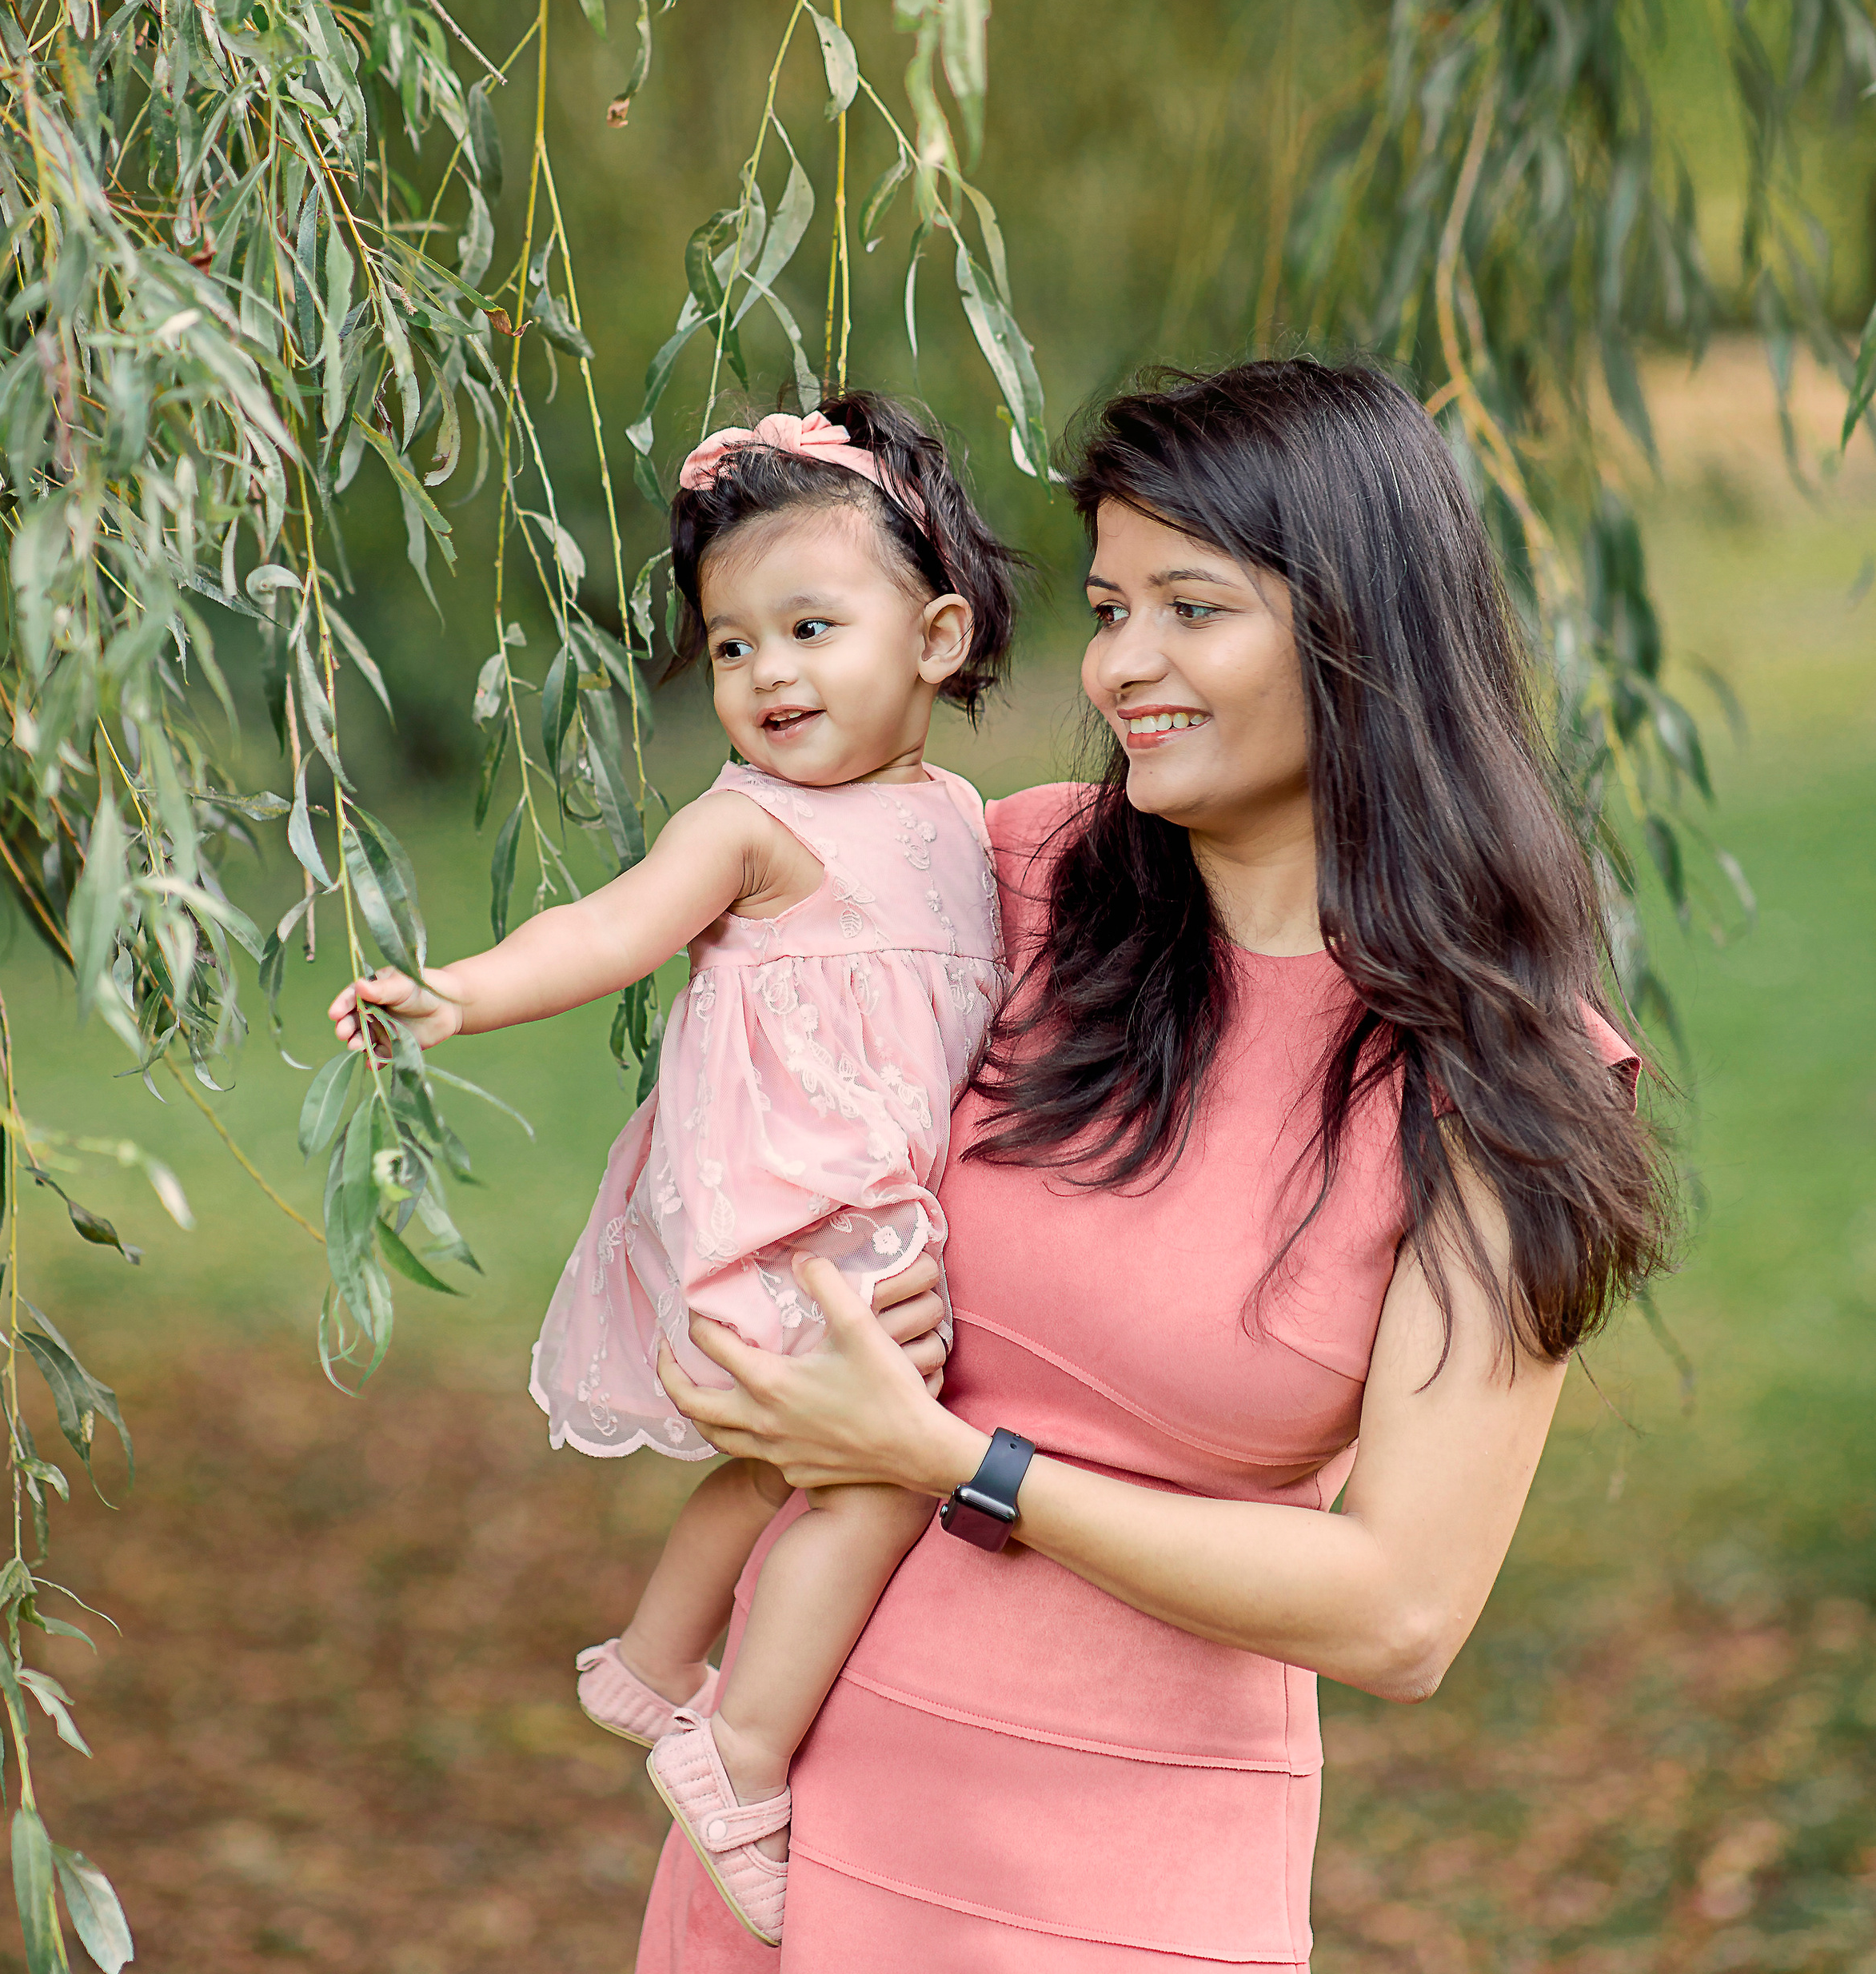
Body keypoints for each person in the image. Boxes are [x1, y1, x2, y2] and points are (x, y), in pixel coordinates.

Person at [644, 359, 1672, 1968]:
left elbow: (1399, 1611)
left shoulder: (1501, 1080)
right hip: (788, 1834)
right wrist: (739, 1344)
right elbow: (738, 1116)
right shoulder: (1011, 878)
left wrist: (954, 1460)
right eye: (1112, 608)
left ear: (1360, 631)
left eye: (1191, 609)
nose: (1123, 664)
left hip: (1119, 1888)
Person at [328, 396, 1020, 1948]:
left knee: (785, 1463)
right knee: (878, 1468)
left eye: (810, 629)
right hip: (791, 1212)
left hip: (870, 1209)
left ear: (936, 637)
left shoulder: (958, 820)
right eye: (731, 645)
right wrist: (457, 994)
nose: (767, 674)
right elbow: (605, 928)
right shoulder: (749, 828)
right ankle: (737, 1750)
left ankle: (649, 1663)